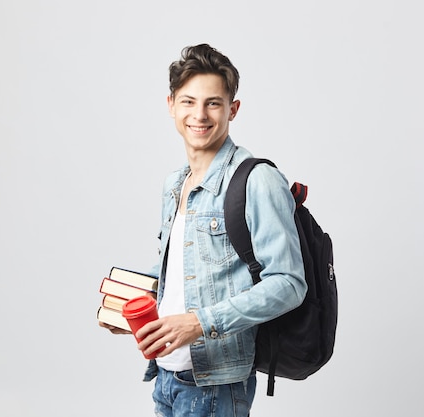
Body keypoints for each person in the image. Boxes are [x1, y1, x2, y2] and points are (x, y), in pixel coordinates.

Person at [100, 43, 307, 417]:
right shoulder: (175, 183)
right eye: (189, 101)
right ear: (171, 105)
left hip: (216, 386)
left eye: (213, 103)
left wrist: (200, 323)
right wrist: (128, 308)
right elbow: (180, 274)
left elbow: (289, 283)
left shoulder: (257, 180)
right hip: (166, 377)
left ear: (233, 109)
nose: (200, 114)